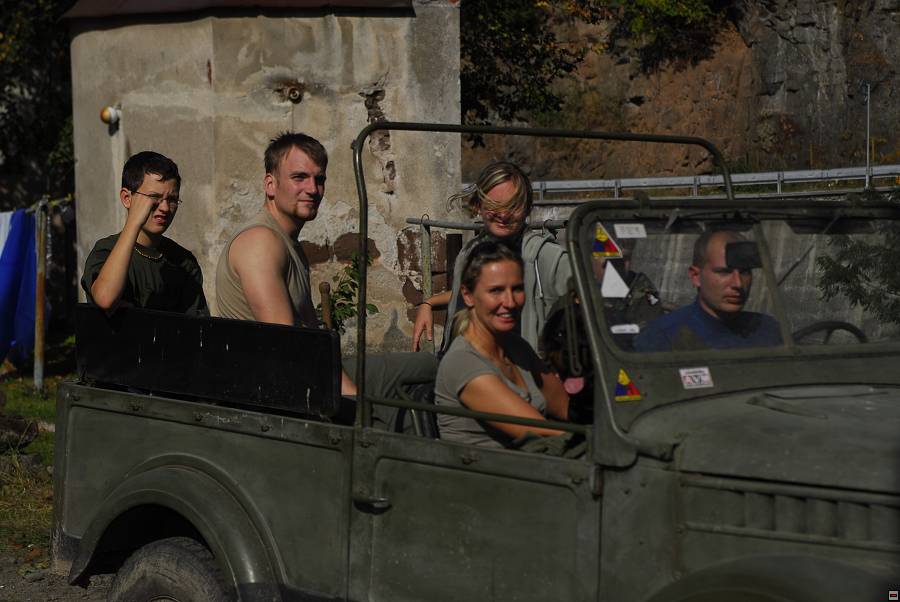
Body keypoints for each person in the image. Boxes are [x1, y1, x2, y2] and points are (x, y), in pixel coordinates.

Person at [216, 131, 435, 408]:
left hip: (305, 374)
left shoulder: (289, 244)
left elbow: (312, 335)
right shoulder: (260, 242)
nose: (312, 189)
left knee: (428, 366)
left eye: (319, 179)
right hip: (272, 395)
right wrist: (354, 405)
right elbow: (288, 346)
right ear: (270, 184)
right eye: (299, 178)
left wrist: (348, 390)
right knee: (409, 400)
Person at [413, 161, 571, 354]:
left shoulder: (547, 258)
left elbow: (588, 306)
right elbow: (471, 295)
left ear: (528, 208)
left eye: (513, 206)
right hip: (462, 360)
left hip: (517, 370)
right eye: (494, 205)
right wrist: (429, 303)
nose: (503, 215)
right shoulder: (470, 252)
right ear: (478, 205)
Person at [435, 241, 570, 448]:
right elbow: (540, 432)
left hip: (537, 462)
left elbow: (566, 407)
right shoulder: (462, 362)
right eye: (496, 291)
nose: (510, 302)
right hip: (491, 467)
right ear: (468, 296)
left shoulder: (517, 347)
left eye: (517, 289)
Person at [82, 151, 208, 315]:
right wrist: (134, 222)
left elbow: (195, 326)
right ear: (127, 198)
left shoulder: (184, 262)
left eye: (172, 199)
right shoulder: (106, 250)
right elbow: (105, 298)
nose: (164, 208)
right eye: (154, 197)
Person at [634, 229, 782, 352]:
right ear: (696, 276)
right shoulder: (661, 337)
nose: (738, 283)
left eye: (745, 272)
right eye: (724, 272)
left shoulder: (768, 330)